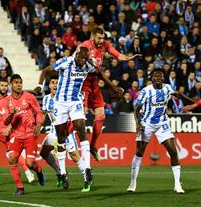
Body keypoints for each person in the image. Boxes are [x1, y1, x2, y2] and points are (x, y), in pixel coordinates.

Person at [35, 47, 123, 192]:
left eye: (85, 58)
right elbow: (46, 70)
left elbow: (99, 74)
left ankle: (87, 169)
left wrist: (113, 86)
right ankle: (62, 172)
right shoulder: (66, 61)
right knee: (61, 137)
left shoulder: (88, 64)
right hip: (60, 103)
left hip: (75, 102)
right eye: (81, 58)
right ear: (76, 56)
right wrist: (39, 85)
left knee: (81, 130)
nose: (82, 61)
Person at [74, 27, 138, 161]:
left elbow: (117, 55)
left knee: (101, 117)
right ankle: (60, 140)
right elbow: (73, 61)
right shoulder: (83, 47)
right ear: (92, 37)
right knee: (81, 116)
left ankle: (92, 146)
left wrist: (129, 58)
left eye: (103, 38)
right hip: (82, 84)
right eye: (99, 38)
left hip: (94, 83)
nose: (102, 40)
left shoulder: (105, 45)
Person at [127, 70, 189, 194]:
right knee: (139, 152)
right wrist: (138, 124)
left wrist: (194, 102)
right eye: (155, 77)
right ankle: (133, 182)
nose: (157, 79)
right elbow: (137, 109)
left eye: (160, 77)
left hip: (162, 124)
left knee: (173, 151)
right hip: (146, 124)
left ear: (163, 79)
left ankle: (177, 184)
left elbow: (178, 94)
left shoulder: (167, 88)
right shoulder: (146, 91)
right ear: (152, 79)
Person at [40, 75, 86, 189]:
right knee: (43, 153)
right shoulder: (46, 99)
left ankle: (87, 176)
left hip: (66, 132)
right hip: (53, 132)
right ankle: (60, 172)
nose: (55, 84)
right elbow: (43, 114)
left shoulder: (66, 97)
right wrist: (38, 126)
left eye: (57, 82)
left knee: (75, 156)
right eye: (52, 82)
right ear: (49, 85)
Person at [4, 74, 45, 196]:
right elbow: (5, 122)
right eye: (16, 82)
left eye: (20, 82)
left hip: (29, 135)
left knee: (30, 164)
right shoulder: (7, 101)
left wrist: (38, 124)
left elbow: (39, 111)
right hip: (16, 136)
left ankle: (39, 170)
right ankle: (20, 188)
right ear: (11, 84)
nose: (19, 85)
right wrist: (11, 115)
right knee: (12, 159)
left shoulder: (29, 97)